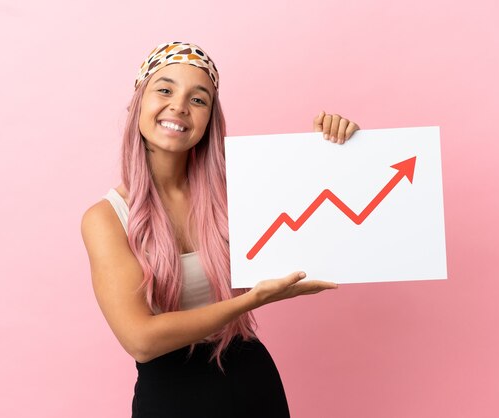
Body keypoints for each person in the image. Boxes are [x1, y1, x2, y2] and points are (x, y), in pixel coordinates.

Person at [80, 41, 360, 418]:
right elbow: (140, 340)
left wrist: (331, 149)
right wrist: (251, 301)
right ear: (137, 104)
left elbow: (323, 212)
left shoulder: (237, 193)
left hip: (253, 386)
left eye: (198, 99)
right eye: (164, 89)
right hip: (170, 401)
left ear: (210, 119)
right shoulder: (106, 217)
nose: (179, 105)